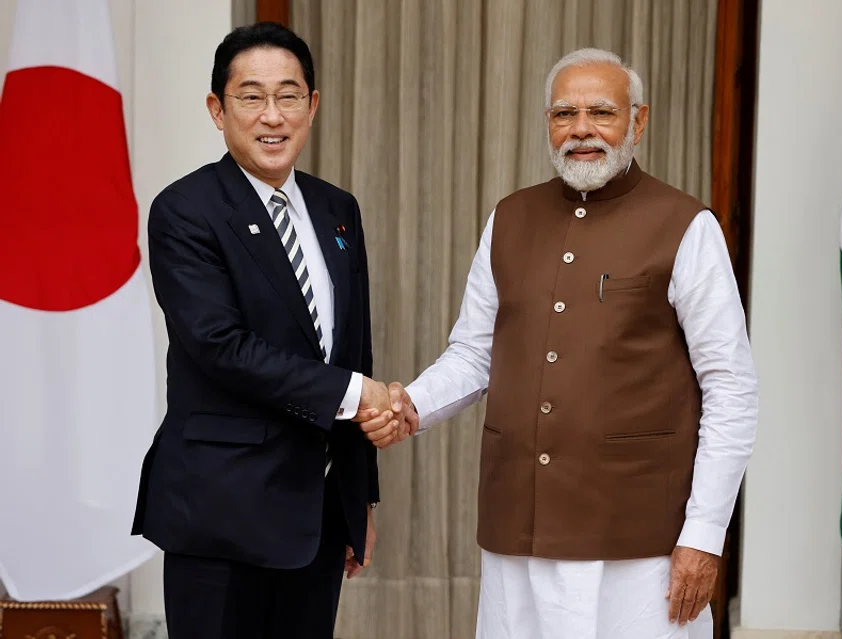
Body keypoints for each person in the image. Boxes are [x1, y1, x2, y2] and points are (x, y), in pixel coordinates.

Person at [360, 47, 759, 638]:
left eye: (602, 112)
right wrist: (411, 406)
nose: (582, 130)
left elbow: (731, 388)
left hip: (638, 536)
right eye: (564, 114)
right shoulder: (511, 217)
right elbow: (474, 352)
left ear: (638, 122)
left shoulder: (685, 225)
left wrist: (703, 535)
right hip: (517, 522)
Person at [131, 22, 409, 639]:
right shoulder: (186, 210)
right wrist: (357, 393)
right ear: (217, 109)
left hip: (316, 514)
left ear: (312, 105)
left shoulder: (339, 209)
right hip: (221, 513)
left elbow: (352, 348)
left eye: (288, 95)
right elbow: (218, 346)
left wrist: (358, 498)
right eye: (251, 96)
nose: (271, 116)